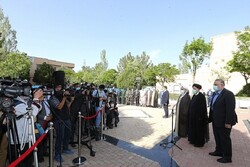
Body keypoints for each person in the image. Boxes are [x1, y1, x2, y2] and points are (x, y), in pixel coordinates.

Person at [208, 79, 237, 163]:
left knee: (225, 139)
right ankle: (219, 151)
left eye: (216, 84)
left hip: (224, 121)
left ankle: (227, 157)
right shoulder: (214, 93)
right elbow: (213, 107)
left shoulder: (228, 94)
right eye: (214, 84)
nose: (215, 86)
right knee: (217, 137)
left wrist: (228, 122)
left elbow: (230, 109)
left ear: (222, 85)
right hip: (215, 120)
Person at [49, 84, 74, 162]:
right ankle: (57, 154)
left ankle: (65, 148)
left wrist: (71, 100)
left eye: (60, 87)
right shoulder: (53, 98)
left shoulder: (63, 97)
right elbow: (59, 107)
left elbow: (68, 106)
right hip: (59, 120)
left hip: (67, 118)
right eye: (58, 87)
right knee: (60, 137)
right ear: (55, 89)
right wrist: (64, 98)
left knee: (67, 134)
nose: (59, 89)